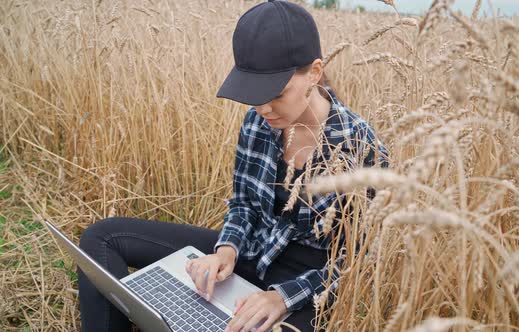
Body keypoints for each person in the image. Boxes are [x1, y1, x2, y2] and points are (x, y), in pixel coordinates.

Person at [77, 1, 389, 332]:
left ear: (314, 72)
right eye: (255, 93)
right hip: (253, 252)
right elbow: (243, 205)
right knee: (103, 238)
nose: (264, 107)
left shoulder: (361, 148)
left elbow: (358, 261)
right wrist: (226, 250)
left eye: (277, 93)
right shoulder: (258, 122)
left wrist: (283, 298)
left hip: (308, 285)